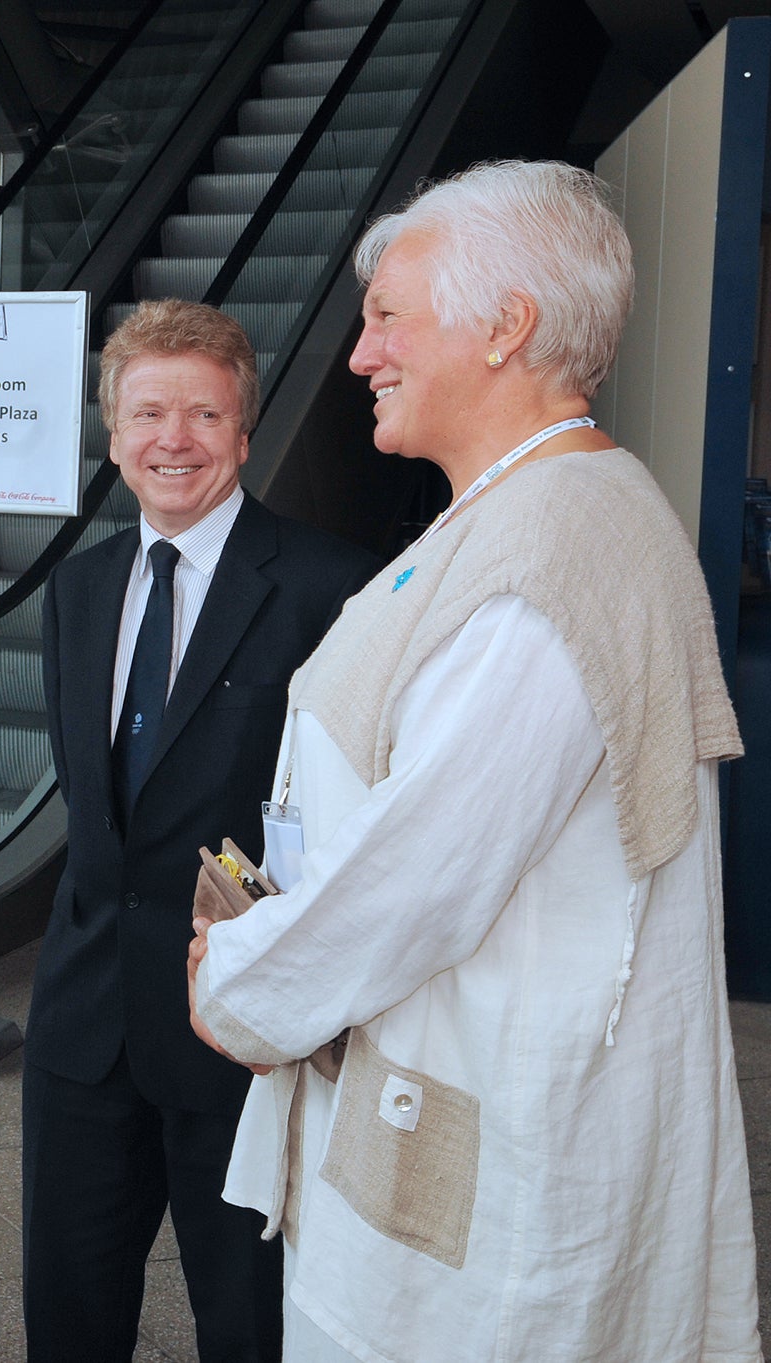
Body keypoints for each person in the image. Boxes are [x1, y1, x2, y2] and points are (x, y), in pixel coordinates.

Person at [188, 161, 761, 1361]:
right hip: (440, 1117)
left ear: (506, 327)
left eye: (387, 315)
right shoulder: (524, 511)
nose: (358, 354)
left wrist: (238, 981)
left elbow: (420, 878)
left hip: (488, 1179)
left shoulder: (551, 556)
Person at [27, 298, 375, 1363]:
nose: (169, 440)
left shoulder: (328, 588)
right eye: (144, 414)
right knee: (69, 1312)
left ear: (243, 428)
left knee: (248, 1321)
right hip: (84, 1024)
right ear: (110, 431)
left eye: (199, 414)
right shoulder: (75, 589)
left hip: (242, 1035)